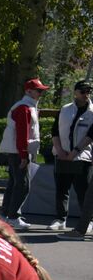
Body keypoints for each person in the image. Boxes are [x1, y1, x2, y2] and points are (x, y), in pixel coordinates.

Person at [0, 77, 47, 230]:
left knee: (15, 183)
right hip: (19, 152)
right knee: (23, 185)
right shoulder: (24, 108)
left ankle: (6, 214)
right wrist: (24, 155)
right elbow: (22, 134)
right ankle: (12, 216)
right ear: (28, 91)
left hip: (16, 151)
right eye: (38, 91)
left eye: (41, 91)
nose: (41, 93)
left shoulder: (26, 106)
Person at [50, 80, 93, 233]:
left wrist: (75, 151)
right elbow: (55, 131)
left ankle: (88, 221)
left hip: (83, 157)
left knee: (84, 191)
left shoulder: (92, 111)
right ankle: (60, 219)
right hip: (62, 155)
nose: (86, 94)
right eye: (83, 91)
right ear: (75, 92)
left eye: (88, 91)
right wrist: (59, 150)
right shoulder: (65, 109)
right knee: (62, 189)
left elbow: (90, 135)